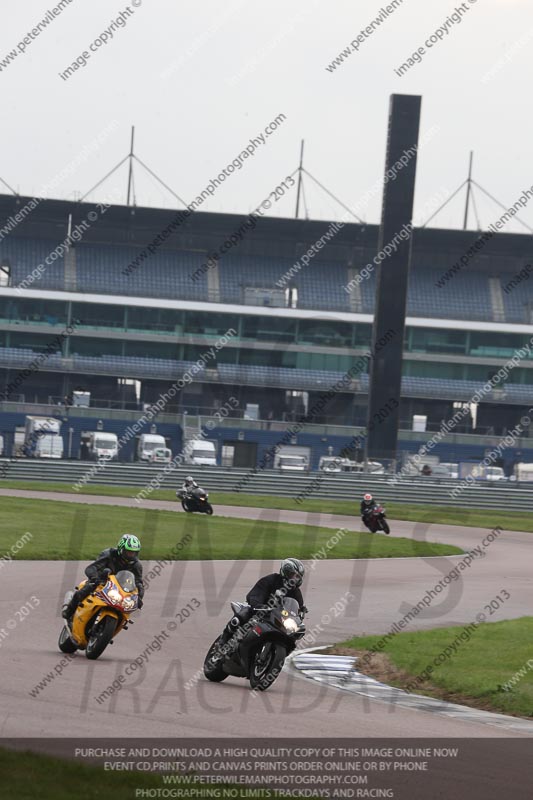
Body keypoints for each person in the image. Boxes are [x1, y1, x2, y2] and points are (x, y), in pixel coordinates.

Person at [220, 558, 307, 645]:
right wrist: (259, 605)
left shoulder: (295, 592)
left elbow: (297, 608)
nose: (295, 579)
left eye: (297, 577)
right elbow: (255, 595)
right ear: (286, 572)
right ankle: (223, 640)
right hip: (259, 612)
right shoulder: (270, 580)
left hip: (278, 619)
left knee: (291, 635)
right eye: (293, 575)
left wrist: (300, 613)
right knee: (244, 614)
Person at [62, 534, 144, 623]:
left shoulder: (136, 565)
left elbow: (139, 583)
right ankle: (69, 611)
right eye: (128, 552)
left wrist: (139, 598)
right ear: (121, 548)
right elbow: (91, 568)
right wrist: (95, 578)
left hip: (120, 590)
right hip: (101, 582)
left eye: (134, 553)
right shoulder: (109, 554)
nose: (131, 555)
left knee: (127, 607)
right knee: (87, 587)